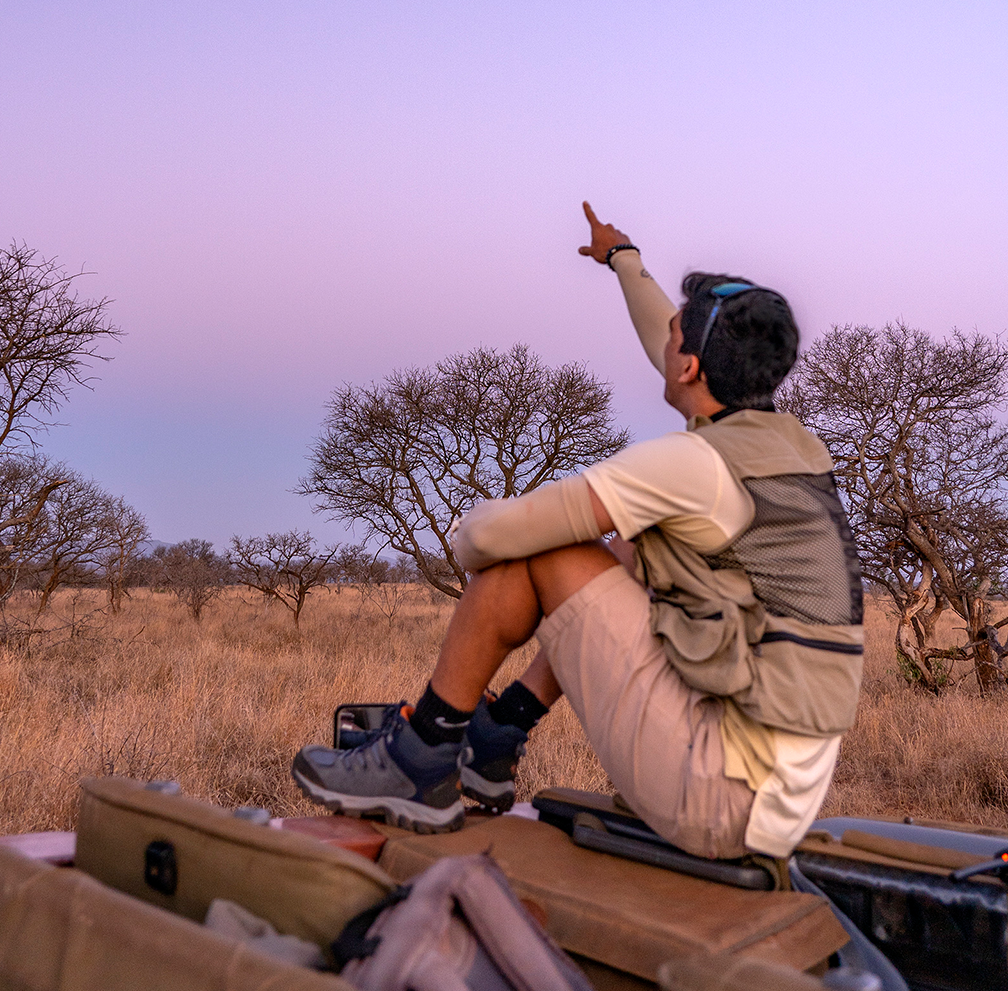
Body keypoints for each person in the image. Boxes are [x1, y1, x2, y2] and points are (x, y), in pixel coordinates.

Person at [292, 204, 864, 863]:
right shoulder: (788, 448)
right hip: (772, 796)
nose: (665, 344)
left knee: (543, 550)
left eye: (678, 338)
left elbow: (492, 540)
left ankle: (423, 756)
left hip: (719, 798)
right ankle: (494, 739)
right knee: (633, 550)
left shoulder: (695, 467)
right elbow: (665, 339)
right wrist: (624, 258)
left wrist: (467, 526)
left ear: (690, 370)